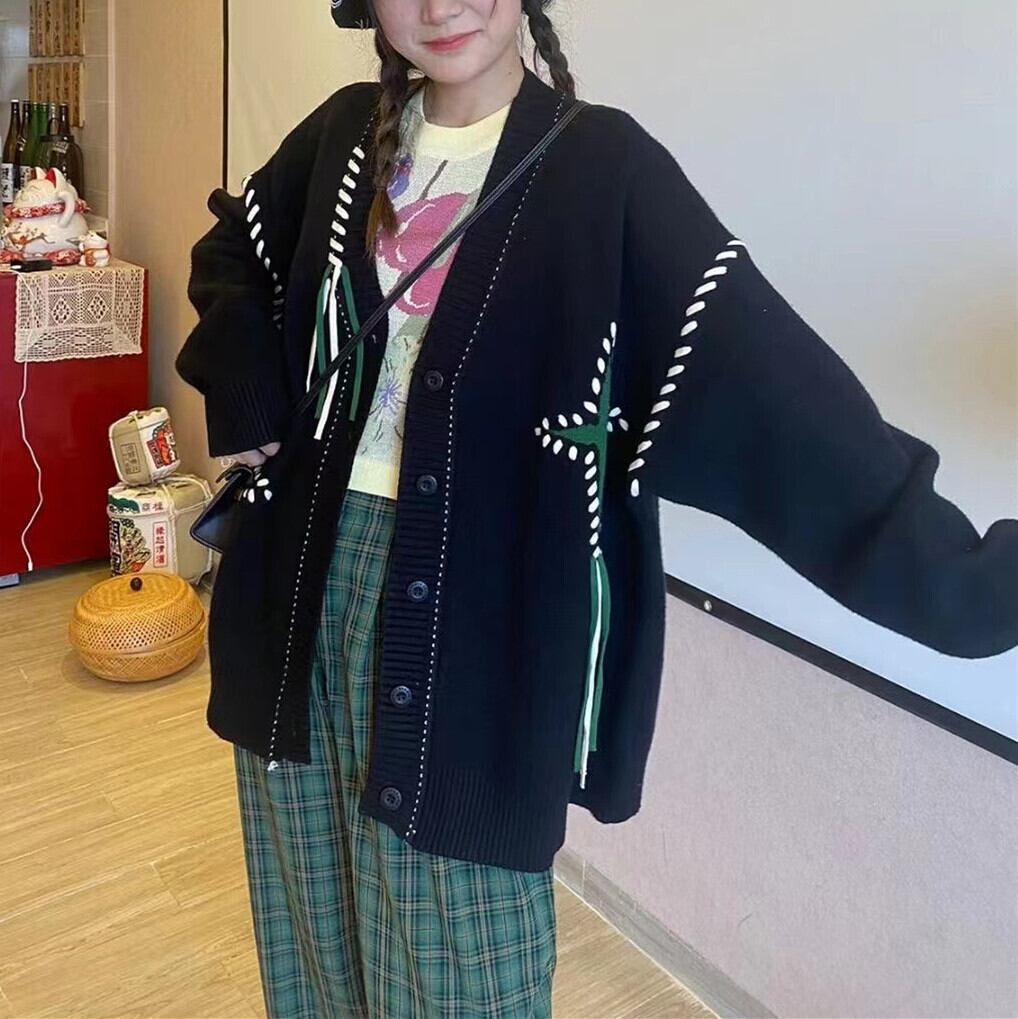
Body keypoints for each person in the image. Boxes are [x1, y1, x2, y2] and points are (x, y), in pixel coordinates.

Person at [174, 1, 1018, 1016]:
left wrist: (971, 588)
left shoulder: (604, 172)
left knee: (460, 971)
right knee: (312, 949)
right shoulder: (343, 136)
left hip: (475, 644)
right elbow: (236, 249)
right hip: (293, 604)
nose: (440, 5)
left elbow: (785, 409)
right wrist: (246, 390)